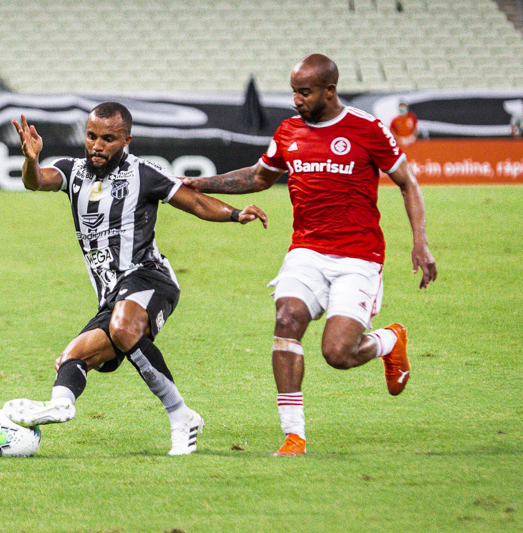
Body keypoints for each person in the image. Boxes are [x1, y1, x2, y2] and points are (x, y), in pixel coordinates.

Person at [183, 54, 437, 457]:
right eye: (294, 92)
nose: (297, 100)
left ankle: (390, 340)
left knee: (338, 354)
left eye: (304, 92)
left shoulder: (366, 128)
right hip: (306, 251)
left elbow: (407, 183)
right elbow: (258, 176)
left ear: (328, 90)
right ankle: (293, 436)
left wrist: (420, 242)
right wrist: (201, 183)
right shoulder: (288, 131)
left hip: (358, 257)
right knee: (286, 318)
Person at [3, 102, 268, 455]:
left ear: (127, 139)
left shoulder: (145, 173)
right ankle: (62, 404)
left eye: (108, 139)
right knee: (71, 359)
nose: (97, 145)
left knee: (123, 326)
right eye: (92, 136)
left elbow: (197, 203)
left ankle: (180, 415)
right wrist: (31, 158)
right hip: (111, 294)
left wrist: (236, 214)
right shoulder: (73, 171)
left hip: (150, 277)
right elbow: (35, 182)